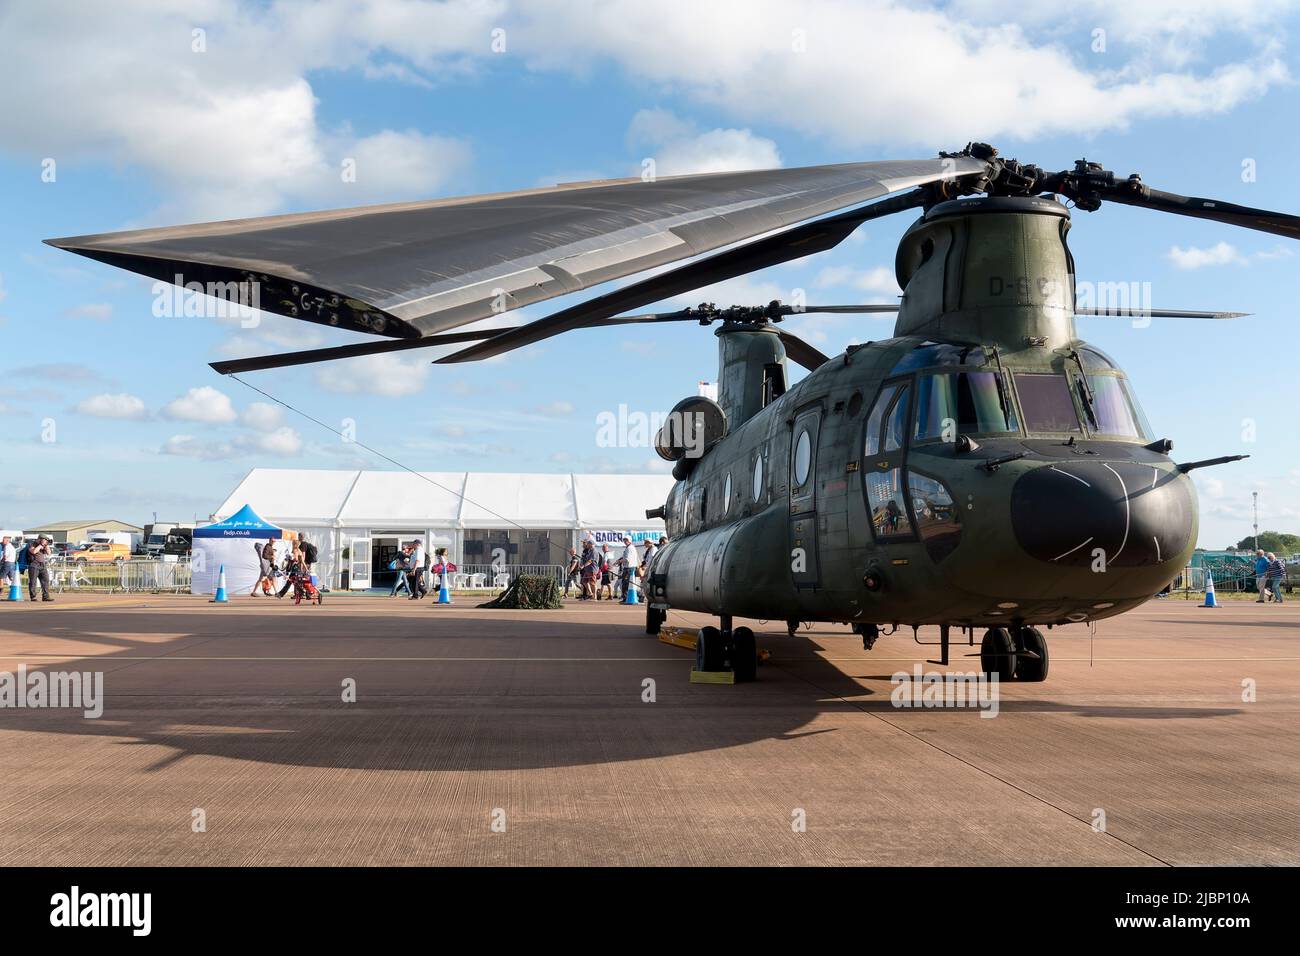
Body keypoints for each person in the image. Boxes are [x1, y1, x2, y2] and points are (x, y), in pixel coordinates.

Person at [27, 535, 52, 602]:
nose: (45, 541)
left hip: (42, 565)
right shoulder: (32, 544)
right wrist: (41, 545)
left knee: (45, 581)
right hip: (34, 565)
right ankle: (33, 597)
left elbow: (49, 553)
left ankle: (46, 596)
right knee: (33, 582)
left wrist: (46, 546)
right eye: (44, 539)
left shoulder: (44, 546)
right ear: (40, 539)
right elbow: (34, 551)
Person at [619, 535, 638, 603]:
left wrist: (620, 561)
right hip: (629, 567)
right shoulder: (630, 547)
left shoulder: (629, 548)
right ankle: (626, 597)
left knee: (626, 584)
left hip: (629, 568)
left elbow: (627, 559)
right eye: (624, 540)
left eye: (626, 540)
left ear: (629, 541)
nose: (625, 541)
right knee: (627, 583)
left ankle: (626, 598)